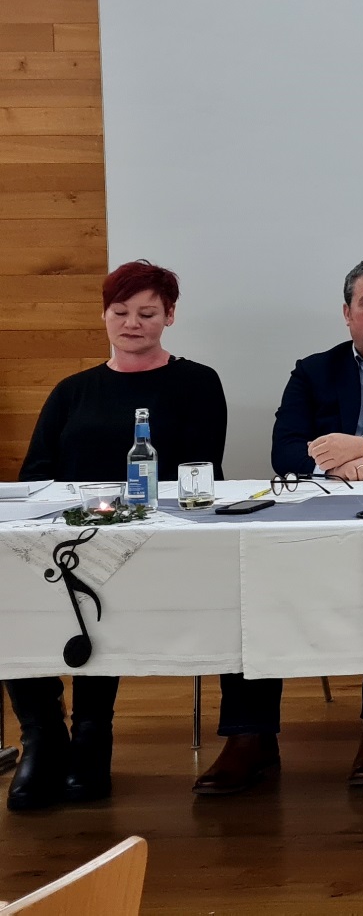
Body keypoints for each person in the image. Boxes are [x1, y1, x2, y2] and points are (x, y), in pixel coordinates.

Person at [195, 258, 363, 794]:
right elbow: (284, 450)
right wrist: (339, 466)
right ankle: (250, 735)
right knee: (255, 578)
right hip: (318, 512)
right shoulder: (313, 371)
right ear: (347, 314)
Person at [7, 261, 227, 811]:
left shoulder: (197, 383)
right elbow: (36, 475)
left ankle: (91, 736)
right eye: (120, 312)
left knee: (96, 590)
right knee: (12, 589)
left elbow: (202, 472)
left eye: (147, 313)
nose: (132, 324)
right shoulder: (72, 391)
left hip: (154, 542)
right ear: (104, 315)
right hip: (67, 537)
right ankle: (41, 736)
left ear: (169, 316)